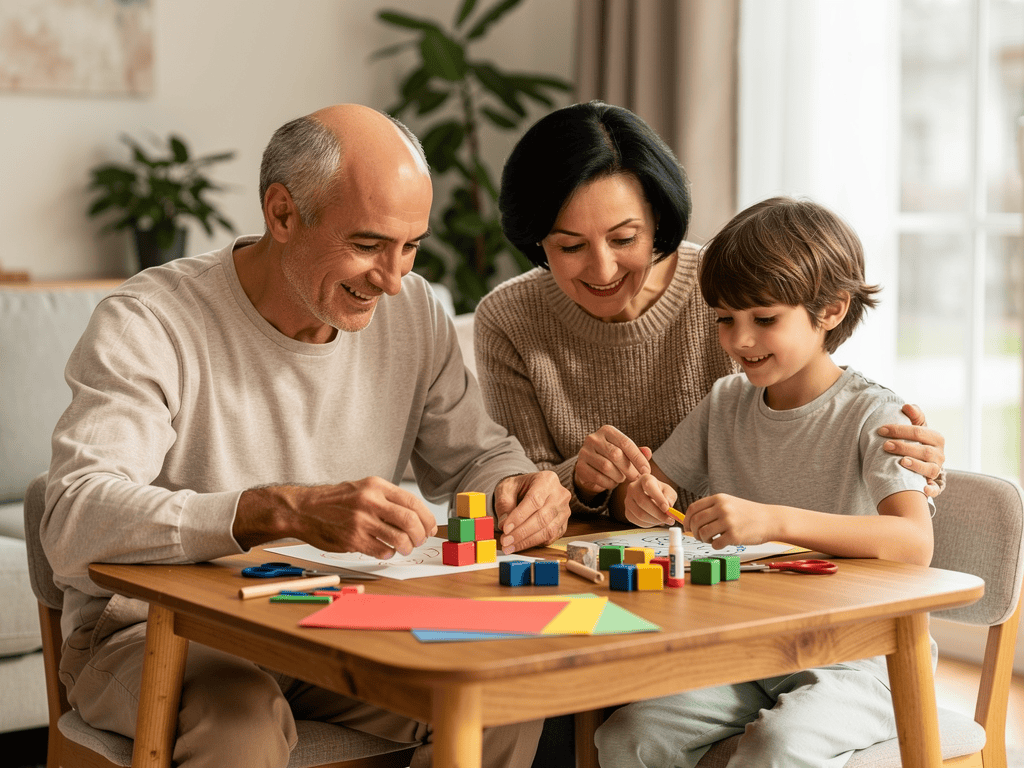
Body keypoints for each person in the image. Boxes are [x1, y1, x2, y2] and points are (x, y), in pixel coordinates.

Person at [41, 104, 570, 768]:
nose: (395, 278)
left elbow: (477, 454)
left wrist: (516, 487)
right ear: (282, 213)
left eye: (411, 247)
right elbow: (72, 520)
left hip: (331, 623)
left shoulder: (413, 314)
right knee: (243, 724)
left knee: (504, 693)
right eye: (370, 244)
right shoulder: (151, 322)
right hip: (157, 631)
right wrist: (275, 510)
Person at [475, 101, 945, 527]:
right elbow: (522, 482)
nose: (603, 268)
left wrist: (910, 464)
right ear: (537, 241)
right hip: (647, 568)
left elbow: (826, 417)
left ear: (659, 221)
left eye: (624, 239)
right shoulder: (509, 318)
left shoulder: (728, 285)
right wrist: (597, 487)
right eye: (571, 245)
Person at [596, 195, 934, 767]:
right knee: (630, 734)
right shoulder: (726, 401)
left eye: (765, 319)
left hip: (862, 660)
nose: (740, 340)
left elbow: (914, 543)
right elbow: (649, 491)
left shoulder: (876, 416)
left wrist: (772, 521)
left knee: (777, 749)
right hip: (750, 651)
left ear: (830, 310)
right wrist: (640, 498)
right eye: (726, 319)